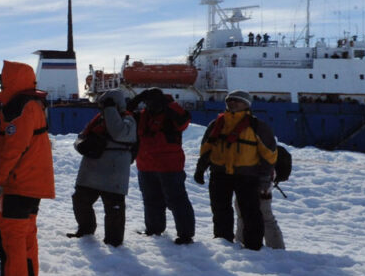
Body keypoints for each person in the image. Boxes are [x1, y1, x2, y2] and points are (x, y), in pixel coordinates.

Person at [0, 61, 54, 276]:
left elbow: (14, 147)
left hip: (16, 184)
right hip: (29, 183)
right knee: (25, 235)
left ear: (13, 81)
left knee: (11, 237)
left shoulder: (21, 107)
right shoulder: (31, 105)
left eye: (3, 81)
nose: (0, 85)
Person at [194, 90, 278, 251]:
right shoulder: (217, 124)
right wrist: (200, 169)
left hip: (247, 176)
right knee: (220, 211)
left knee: (250, 212)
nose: (232, 103)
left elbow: (269, 155)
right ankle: (223, 242)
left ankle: (253, 247)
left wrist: (265, 178)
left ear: (247, 105)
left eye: (237, 101)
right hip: (220, 174)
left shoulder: (257, 126)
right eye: (229, 100)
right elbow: (206, 149)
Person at [68, 90, 136, 247]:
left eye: (105, 104)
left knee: (114, 208)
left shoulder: (128, 120)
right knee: (80, 200)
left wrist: (111, 110)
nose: (101, 108)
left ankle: (114, 241)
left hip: (114, 171)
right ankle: (85, 230)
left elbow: (118, 133)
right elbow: (81, 137)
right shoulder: (98, 120)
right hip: (91, 170)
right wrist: (81, 146)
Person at [128, 88, 195, 245]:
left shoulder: (171, 112)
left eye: (153, 100)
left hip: (169, 166)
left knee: (176, 200)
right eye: (148, 101)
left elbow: (183, 121)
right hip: (146, 165)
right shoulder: (143, 115)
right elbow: (125, 115)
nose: (151, 104)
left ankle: (186, 235)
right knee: (151, 200)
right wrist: (137, 99)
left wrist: (167, 104)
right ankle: (153, 229)